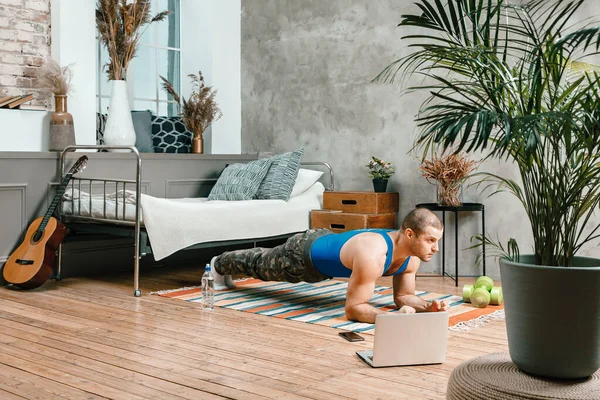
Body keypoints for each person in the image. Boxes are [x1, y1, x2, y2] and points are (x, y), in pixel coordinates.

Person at [210, 207, 448, 323]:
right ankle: (218, 263)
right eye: (430, 240)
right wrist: (392, 319)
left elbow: (404, 296)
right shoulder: (373, 253)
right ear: (409, 234)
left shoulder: (413, 256)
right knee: (259, 263)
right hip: (301, 255)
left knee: (261, 259)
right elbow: (353, 309)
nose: (435, 248)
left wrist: (427, 306)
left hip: (325, 248)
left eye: (437, 241)